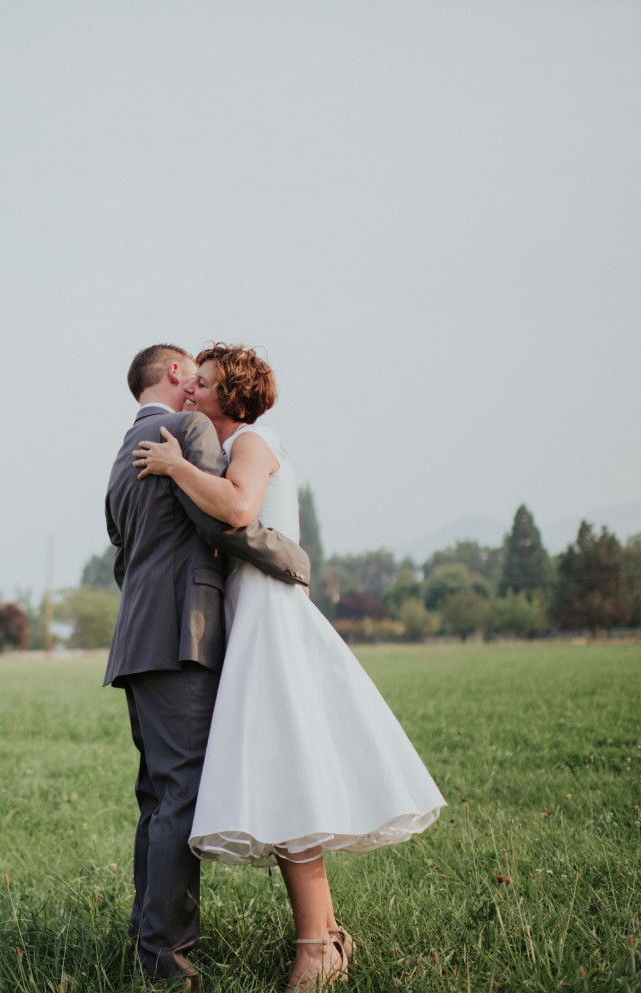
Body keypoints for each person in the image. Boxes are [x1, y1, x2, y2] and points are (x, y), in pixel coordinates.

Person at [134, 343, 446, 991]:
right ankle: (322, 937)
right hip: (250, 616)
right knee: (283, 773)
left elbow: (240, 511)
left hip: (270, 619)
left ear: (232, 395)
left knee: (287, 772)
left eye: (207, 383)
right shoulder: (222, 446)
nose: (193, 391)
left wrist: (171, 465)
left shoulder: (253, 438)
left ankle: (317, 946)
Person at [104, 344, 312, 988]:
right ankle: (165, 959)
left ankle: (146, 934)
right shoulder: (186, 431)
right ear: (174, 374)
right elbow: (222, 522)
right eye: (192, 375)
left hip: (137, 639)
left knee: (156, 797)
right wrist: (293, 560)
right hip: (182, 636)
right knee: (181, 795)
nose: (197, 387)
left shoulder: (122, 450)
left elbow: (124, 541)